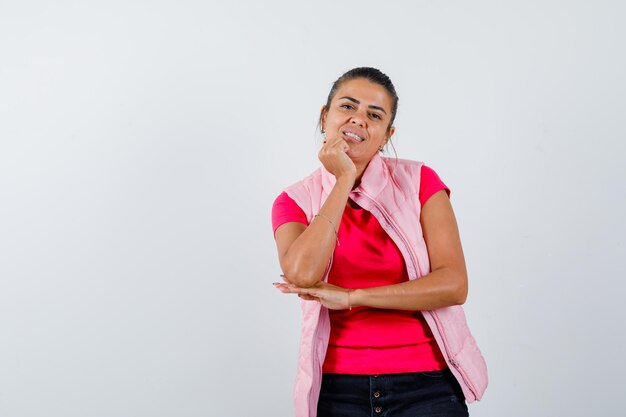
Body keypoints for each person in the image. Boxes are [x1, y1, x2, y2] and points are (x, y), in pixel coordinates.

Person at [272, 67, 487, 417]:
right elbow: (301, 274)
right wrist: (343, 179)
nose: (359, 120)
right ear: (325, 116)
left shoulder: (420, 181)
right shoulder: (294, 200)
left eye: (374, 115)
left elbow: (454, 285)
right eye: (347, 107)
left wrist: (353, 298)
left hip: (427, 387)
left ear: (387, 134)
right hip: (338, 390)